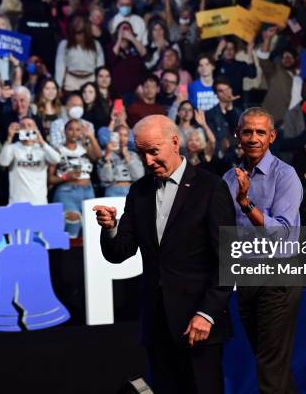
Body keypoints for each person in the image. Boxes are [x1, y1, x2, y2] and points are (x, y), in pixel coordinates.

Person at [93, 115, 235, 394]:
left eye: (153, 152)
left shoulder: (211, 187)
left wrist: (207, 314)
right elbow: (120, 252)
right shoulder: (139, 192)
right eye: (141, 153)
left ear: (174, 142)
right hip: (157, 326)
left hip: (199, 324)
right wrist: (110, 229)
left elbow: (227, 260)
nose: (147, 161)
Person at [222, 107, 303, 394]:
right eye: (247, 131)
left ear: (272, 136)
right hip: (247, 279)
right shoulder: (228, 179)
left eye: (260, 132)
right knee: (271, 364)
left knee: (270, 367)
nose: (253, 138)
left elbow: (282, 233)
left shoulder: (286, 176)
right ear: (237, 135)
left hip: (277, 276)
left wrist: (246, 203)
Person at [49, 118, 102, 238]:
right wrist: (65, 177)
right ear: (64, 131)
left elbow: (98, 156)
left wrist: (91, 137)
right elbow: (50, 178)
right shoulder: (57, 150)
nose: (74, 133)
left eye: (78, 129)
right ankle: (69, 256)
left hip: (88, 191)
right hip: (67, 192)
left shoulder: (84, 148)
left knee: (90, 229)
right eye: (70, 129)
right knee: (72, 226)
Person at [0, 117, 61, 205]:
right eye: (23, 126)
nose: (26, 128)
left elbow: (56, 159)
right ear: (19, 129)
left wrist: (42, 142)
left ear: (36, 128)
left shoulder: (42, 148)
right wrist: (9, 138)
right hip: (17, 202)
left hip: (39, 202)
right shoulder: (13, 147)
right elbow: (3, 162)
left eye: (29, 125)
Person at [97, 124, 144, 197]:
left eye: (125, 136)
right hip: (112, 190)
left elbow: (139, 177)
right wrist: (107, 158)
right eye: (119, 135)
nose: (122, 138)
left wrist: (127, 157)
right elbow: (106, 179)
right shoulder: (105, 153)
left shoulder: (133, 155)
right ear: (113, 136)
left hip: (131, 190)